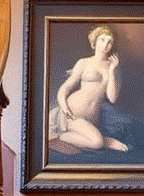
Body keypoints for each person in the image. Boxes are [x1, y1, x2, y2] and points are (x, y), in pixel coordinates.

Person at [48, 24, 130, 152]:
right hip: (72, 114)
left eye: (110, 42)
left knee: (96, 139)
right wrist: (64, 108)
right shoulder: (84, 63)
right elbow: (65, 88)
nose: (105, 44)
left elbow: (112, 98)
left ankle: (101, 139)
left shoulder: (114, 68)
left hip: (91, 119)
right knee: (97, 142)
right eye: (102, 40)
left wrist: (112, 70)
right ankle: (63, 136)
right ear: (95, 41)